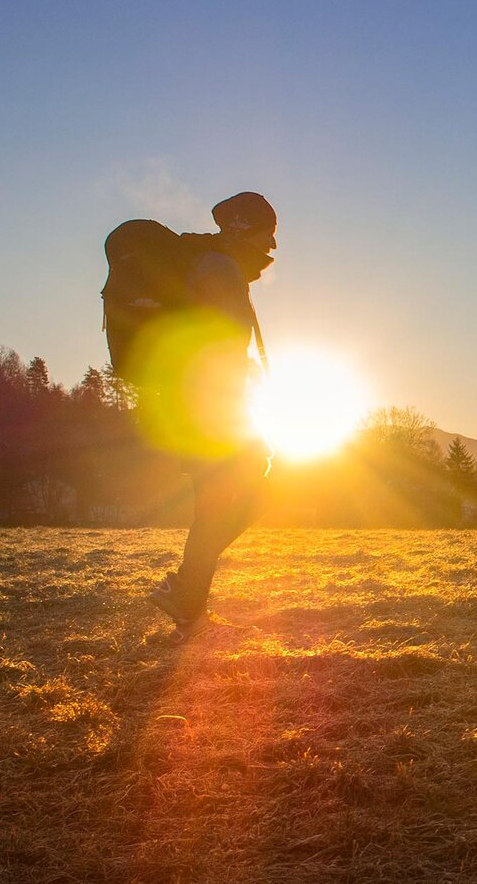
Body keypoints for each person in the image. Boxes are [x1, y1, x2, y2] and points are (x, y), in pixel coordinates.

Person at [144, 192, 277, 639]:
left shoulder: (215, 265)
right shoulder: (218, 270)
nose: (271, 246)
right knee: (255, 487)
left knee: (215, 507)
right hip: (206, 411)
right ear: (243, 229)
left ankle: (189, 609)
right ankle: (186, 593)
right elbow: (217, 346)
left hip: (198, 407)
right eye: (265, 234)